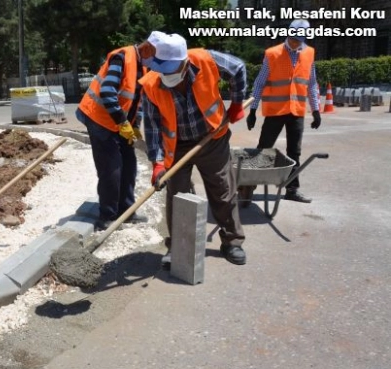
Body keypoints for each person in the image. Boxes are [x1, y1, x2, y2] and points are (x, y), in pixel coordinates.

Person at [139, 31, 247, 266]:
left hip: (213, 137)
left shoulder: (205, 60)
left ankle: (232, 241)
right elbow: (153, 128)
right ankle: (177, 247)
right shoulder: (150, 85)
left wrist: (237, 103)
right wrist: (157, 163)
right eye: (161, 69)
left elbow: (238, 68)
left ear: (184, 62)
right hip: (176, 146)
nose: (164, 75)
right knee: (177, 196)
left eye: (169, 69)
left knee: (222, 190)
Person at [75, 35, 156, 231]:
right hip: (99, 118)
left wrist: (135, 124)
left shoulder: (144, 66)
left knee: (129, 163)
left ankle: (126, 211)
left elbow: (138, 100)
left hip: (119, 121)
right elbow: (107, 91)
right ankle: (107, 217)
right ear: (147, 49)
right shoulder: (122, 57)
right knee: (112, 168)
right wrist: (122, 122)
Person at [246, 19, 321, 203]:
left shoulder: (309, 53)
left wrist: (316, 109)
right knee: (264, 149)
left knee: (294, 152)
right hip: (275, 111)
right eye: (294, 38)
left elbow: (311, 83)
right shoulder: (272, 54)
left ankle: (292, 190)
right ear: (288, 34)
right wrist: (253, 110)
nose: (296, 42)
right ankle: (248, 187)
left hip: (296, 111)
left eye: (299, 39)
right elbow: (260, 82)